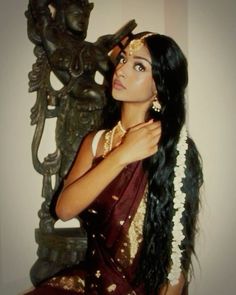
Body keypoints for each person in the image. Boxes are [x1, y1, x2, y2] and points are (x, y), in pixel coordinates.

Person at [24, 32, 203, 295]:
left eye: (138, 66)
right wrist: (121, 155)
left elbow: (177, 259)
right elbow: (63, 210)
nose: (121, 70)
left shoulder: (173, 149)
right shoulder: (96, 142)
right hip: (94, 281)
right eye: (123, 59)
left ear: (158, 86)